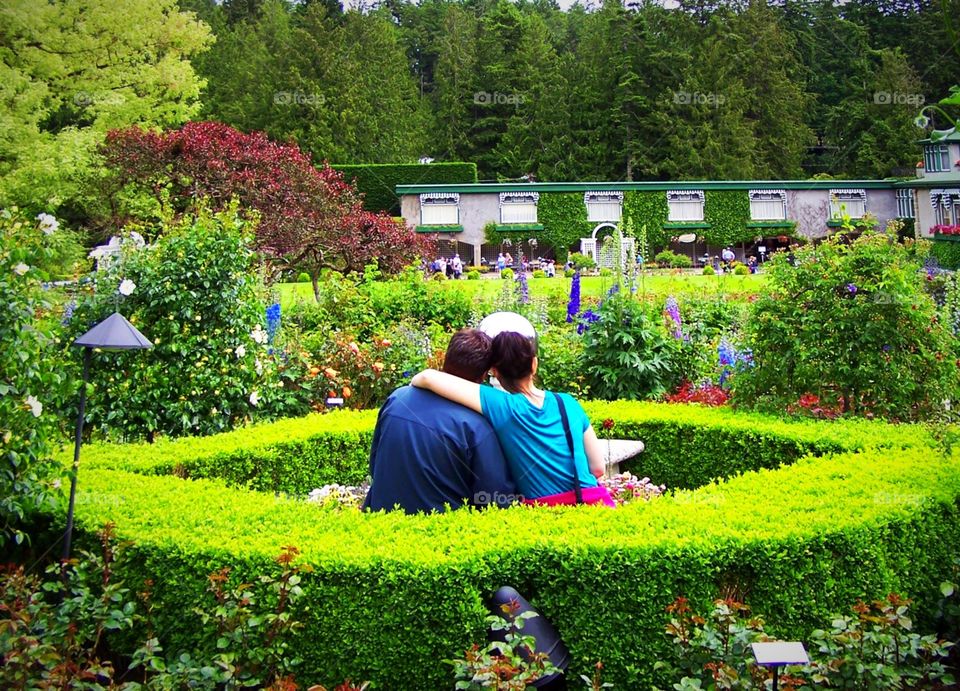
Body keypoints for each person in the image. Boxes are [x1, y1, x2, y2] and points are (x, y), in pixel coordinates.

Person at [411, 317, 614, 507]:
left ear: (495, 372)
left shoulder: (501, 405)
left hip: (549, 515)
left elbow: (427, 378)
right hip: (596, 505)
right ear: (534, 364)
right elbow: (597, 468)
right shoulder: (567, 402)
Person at [364, 329, 516, 514]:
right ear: (483, 375)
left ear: (446, 357)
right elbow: (494, 499)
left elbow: (375, 465)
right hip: (442, 532)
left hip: (381, 521)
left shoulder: (397, 398)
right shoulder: (476, 425)